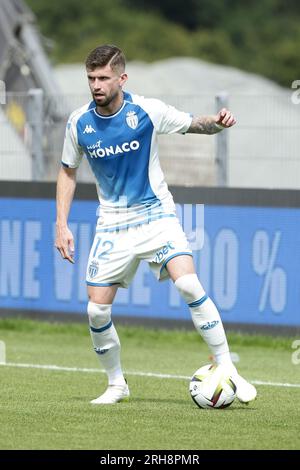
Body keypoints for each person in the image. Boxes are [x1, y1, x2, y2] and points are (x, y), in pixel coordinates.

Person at [55, 44, 257, 405]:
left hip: (155, 215)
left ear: (122, 78)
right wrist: (61, 223)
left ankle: (227, 367)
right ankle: (117, 384)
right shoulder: (79, 123)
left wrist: (219, 122)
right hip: (112, 225)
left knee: (190, 285)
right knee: (96, 309)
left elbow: (196, 124)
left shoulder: (147, 110)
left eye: (103, 77)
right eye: (91, 78)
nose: (96, 85)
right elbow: (67, 171)